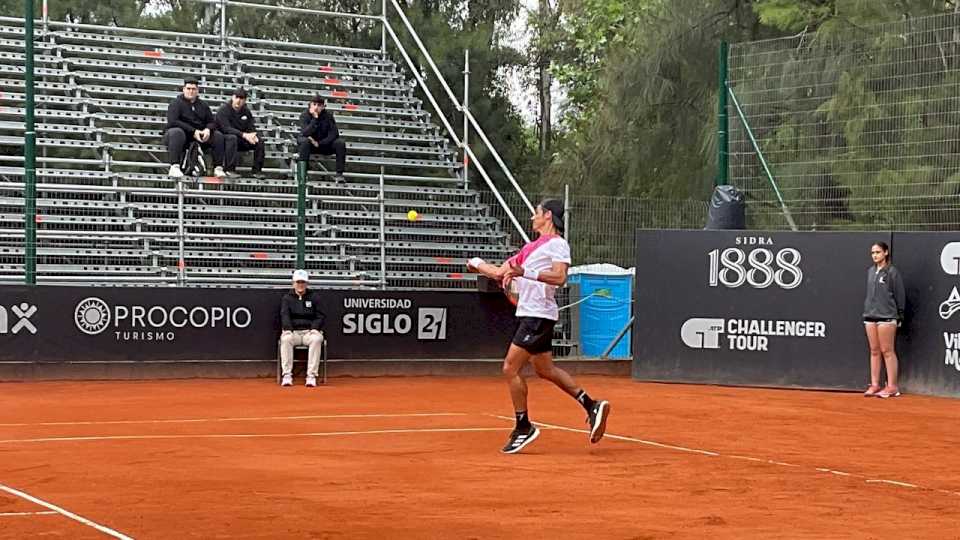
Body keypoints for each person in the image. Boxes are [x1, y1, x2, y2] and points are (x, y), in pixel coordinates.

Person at [466, 199, 611, 453]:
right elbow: (501, 273)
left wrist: (526, 274)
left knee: (510, 367)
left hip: (538, 315)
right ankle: (591, 405)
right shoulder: (529, 249)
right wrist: (476, 263)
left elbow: (560, 277)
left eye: (536, 213)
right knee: (545, 369)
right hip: (529, 314)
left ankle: (523, 426)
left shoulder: (557, 244)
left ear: (548, 216)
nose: (532, 217)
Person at [862, 241, 905, 398]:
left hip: (887, 316)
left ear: (886, 253)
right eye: (873, 253)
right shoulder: (870, 272)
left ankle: (892, 386)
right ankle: (874, 385)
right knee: (874, 351)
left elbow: (900, 295)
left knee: (887, 351)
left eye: (878, 252)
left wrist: (899, 315)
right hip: (870, 315)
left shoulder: (892, 272)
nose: (875, 255)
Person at [165, 78, 231, 178]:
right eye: (188, 88)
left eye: (194, 89)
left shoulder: (203, 105)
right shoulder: (175, 103)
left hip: (200, 136)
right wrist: (193, 131)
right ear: (183, 89)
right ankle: (175, 166)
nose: (191, 91)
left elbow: (212, 122)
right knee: (176, 132)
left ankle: (218, 168)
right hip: (180, 135)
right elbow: (173, 121)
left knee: (218, 136)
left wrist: (208, 129)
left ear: (197, 90)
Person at [279, 269, 326, 388]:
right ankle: (287, 375)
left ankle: (311, 376)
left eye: (303, 282)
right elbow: (285, 315)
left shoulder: (315, 297)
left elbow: (320, 315)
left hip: (309, 333)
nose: (300, 285)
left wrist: (315, 328)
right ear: (293, 283)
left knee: (317, 339)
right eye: (298, 282)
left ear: (307, 283)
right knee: (285, 339)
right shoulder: (287, 298)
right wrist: (288, 329)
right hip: (293, 332)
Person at [216, 88, 265, 179]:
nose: (238, 101)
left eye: (241, 98)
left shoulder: (246, 111)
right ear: (233, 97)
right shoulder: (223, 110)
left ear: (245, 100)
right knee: (232, 138)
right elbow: (225, 128)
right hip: (225, 139)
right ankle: (229, 169)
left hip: (242, 138)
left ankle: (257, 171)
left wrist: (253, 135)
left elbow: (251, 127)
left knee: (259, 141)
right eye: (237, 97)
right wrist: (244, 135)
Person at [297, 95, 347, 183]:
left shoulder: (328, 116)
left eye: (319, 105)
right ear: (310, 105)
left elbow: (334, 134)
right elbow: (305, 133)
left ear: (323, 107)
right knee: (304, 141)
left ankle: (339, 175)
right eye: (314, 104)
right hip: (310, 145)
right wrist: (315, 119)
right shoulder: (305, 115)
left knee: (340, 143)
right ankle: (303, 175)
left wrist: (320, 143)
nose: (316, 107)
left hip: (323, 145)